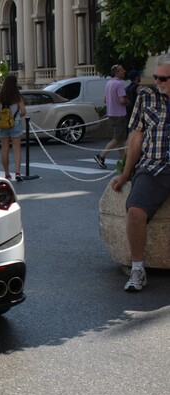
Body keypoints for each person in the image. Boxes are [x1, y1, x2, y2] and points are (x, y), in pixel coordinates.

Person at [110, 53, 170, 292]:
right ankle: (137, 269)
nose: (158, 82)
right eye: (156, 77)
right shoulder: (146, 96)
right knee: (135, 211)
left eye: (164, 79)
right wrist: (126, 174)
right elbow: (136, 136)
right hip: (154, 165)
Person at [94, 64, 128, 169]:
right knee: (117, 138)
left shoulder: (108, 83)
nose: (124, 71)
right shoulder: (119, 84)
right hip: (120, 114)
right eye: (122, 70)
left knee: (119, 138)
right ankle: (101, 156)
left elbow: (105, 100)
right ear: (117, 72)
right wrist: (128, 102)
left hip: (111, 113)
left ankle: (124, 160)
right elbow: (122, 100)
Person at [0, 74, 27, 181]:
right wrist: (16, 116)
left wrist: (3, 114)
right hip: (15, 123)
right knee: (17, 150)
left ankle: (7, 174)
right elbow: (23, 111)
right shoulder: (17, 96)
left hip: (3, 125)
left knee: (5, 150)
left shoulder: (0, 95)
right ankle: (17, 172)